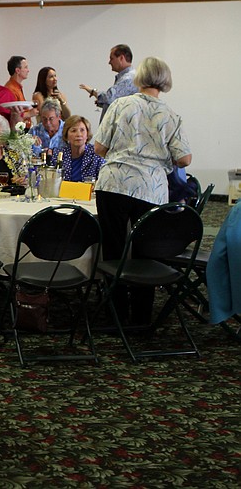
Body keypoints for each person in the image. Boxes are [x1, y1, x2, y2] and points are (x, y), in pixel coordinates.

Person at [93, 56, 192, 325]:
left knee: (113, 250)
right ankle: (141, 318)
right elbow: (184, 159)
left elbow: (99, 148)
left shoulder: (120, 105)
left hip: (113, 183)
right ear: (165, 80)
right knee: (144, 252)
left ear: (139, 78)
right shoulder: (171, 115)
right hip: (150, 188)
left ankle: (115, 316)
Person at [79, 44, 137, 124]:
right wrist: (102, 103)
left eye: (111, 58)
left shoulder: (128, 79)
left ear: (121, 58)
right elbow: (116, 104)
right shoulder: (128, 77)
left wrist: (93, 92)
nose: (109, 62)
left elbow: (109, 97)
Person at [55, 115, 105, 182]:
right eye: (73, 131)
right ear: (66, 135)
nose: (78, 134)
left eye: (82, 130)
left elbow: (102, 181)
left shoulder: (96, 154)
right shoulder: (58, 154)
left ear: (87, 134)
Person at [5, 55, 38, 124]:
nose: (28, 70)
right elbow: (11, 114)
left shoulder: (17, 87)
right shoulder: (10, 89)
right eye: (25, 67)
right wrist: (29, 113)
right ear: (18, 70)